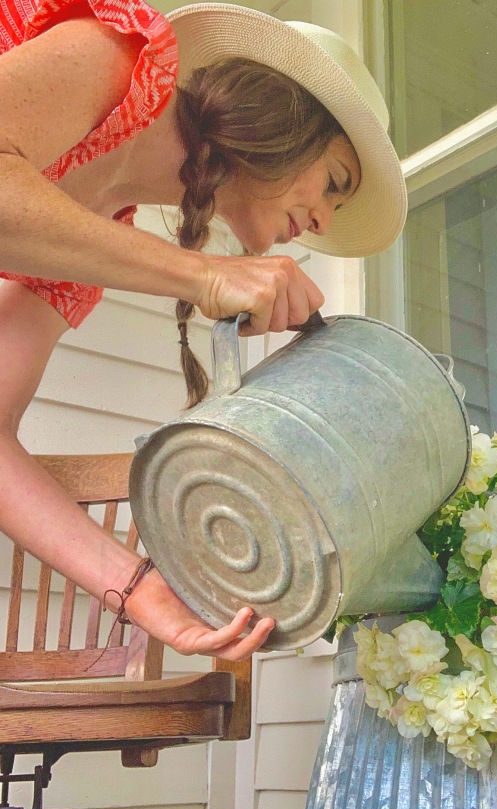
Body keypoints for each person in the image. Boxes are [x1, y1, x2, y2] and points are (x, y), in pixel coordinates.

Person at [0, 0, 407, 659]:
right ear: (287, 119)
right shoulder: (116, 51)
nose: (326, 221)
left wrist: (135, 586)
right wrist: (204, 276)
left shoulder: (85, 252)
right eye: (334, 182)